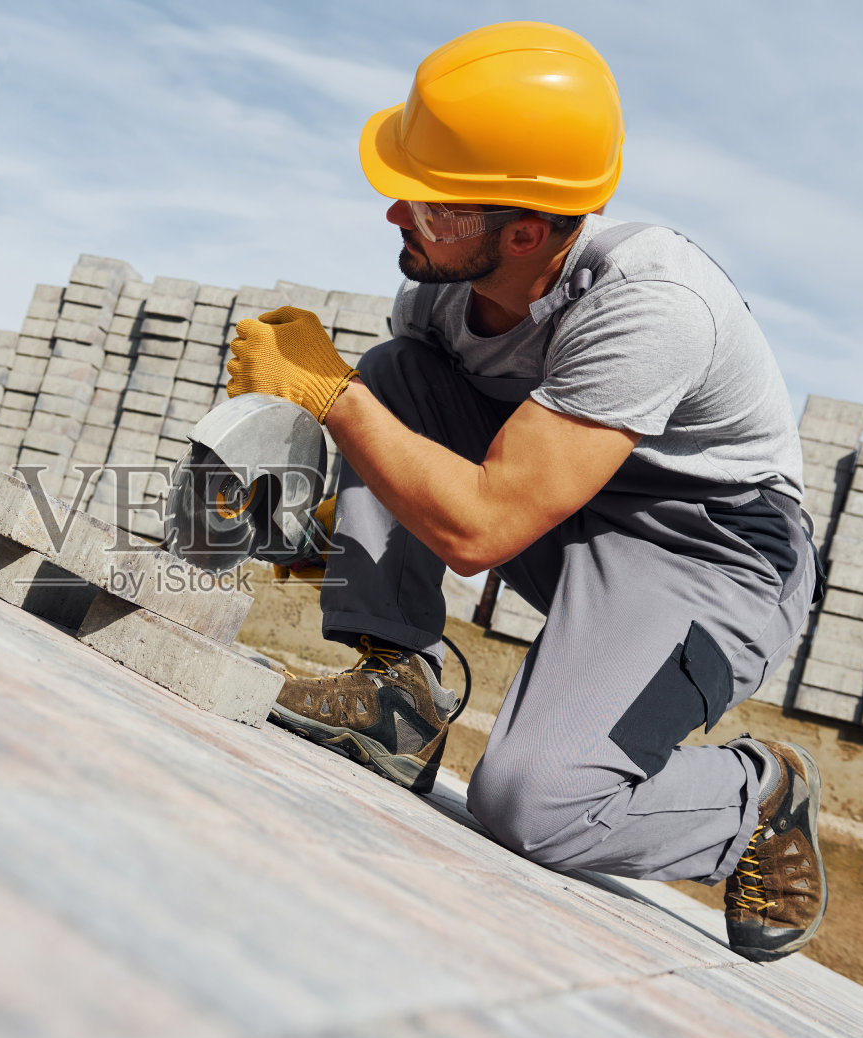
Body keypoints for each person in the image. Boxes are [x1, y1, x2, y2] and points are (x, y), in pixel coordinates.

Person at [224, 21, 826, 963]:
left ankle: (757, 796)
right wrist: (327, 490)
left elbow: (482, 527)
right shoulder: (437, 296)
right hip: (568, 508)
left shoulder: (654, 306)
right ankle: (398, 692)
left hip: (713, 555)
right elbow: (430, 455)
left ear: (528, 232)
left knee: (535, 802)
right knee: (393, 373)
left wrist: (326, 397)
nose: (397, 218)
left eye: (429, 206)